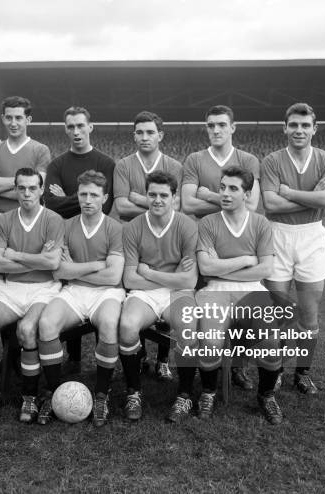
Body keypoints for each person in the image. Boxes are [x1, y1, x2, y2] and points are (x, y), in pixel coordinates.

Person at [182, 166, 284, 425]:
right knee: (210, 343)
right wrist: (245, 261)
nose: (225, 193)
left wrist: (224, 270)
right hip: (214, 291)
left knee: (271, 343)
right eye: (222, 187)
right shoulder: (207, 223)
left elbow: (265, 269)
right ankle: (208, 392)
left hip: (253, 291)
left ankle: (266, 395)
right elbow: (205, 268)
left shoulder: (260, 223)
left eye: (233, 189)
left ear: (247, 194)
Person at [260, 102, 325, 394]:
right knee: (278, 314)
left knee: (308, 315)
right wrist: (313, 197)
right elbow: (270, 204)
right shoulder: (271, 161)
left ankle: (302, 373)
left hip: (312, 238)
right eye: (293, 125)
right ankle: (277, 370)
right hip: (277, 236)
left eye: (305, 125)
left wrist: (290, 193)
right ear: (285, 128)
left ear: (314, 129)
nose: (299, 130)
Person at [0, 168, 64, 420]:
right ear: (15, 190)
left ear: (41, 190)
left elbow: (53, 263)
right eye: (21, 188)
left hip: (43, 289)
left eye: (32, 188)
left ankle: (30, 397)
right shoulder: (4, 221)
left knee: (26, 329)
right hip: (11, 289)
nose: (27, 193)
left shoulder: (53, 219)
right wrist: (37, 259)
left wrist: (16, 255)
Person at [181, 105, 261, 390]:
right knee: (204, 313)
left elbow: (252, 204)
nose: (216, 130)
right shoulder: (195, 159)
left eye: (221, 125)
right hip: (206, 239)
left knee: (248, 313)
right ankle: (187, 370)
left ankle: (237, 365)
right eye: (211, 125)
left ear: (233, 127)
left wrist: (209, 193)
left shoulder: (248, 159)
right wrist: (227, 199)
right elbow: (187, 204)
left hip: (240, 239)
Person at [37, 170, 125, 426]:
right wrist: (97, 265)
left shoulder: (115, 228)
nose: (87, 200)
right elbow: (59, 270)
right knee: (46, 324)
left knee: (109, 324)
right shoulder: (65, 225)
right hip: (74, 291)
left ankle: (101, 394)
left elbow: (113, 277)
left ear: (104, 197)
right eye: (83, 194)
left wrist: (77, 270)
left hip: (107, 293)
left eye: (94, 195)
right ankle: (53, 393)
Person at [119, 170, 198, 421]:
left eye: (164, 195)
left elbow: (190, 280)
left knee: (187, 325)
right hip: (144, 293)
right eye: (152, 194)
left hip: (177, 292)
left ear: (174, 198)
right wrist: (170, 275)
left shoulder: (186, 225)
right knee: (128, 325)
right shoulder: (133, 227)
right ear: (146, 195)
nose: (157, 200)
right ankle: (134, 391)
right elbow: (129, 279)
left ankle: (184, 395)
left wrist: (149, 271)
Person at [44, 106, 116, 372]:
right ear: (65, 129)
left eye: (80, 126)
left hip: (97, 236)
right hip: (68, 235)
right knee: (69, 290)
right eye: (70, 126)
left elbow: (105, 208)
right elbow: (50, 204)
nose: (75, 131)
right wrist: (83, 197)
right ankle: (73, 359)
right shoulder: (57, 164)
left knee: (102, 310)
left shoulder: (106, 163)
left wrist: (68, 196)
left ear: (90, 127)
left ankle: (100, 364)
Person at [113, 110, 183, 381]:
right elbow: (120, 206)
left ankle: (163, 359)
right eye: (140, 132)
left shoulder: (174, 165)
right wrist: (158, 203)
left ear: (160, 135)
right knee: (137, 292)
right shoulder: (123, 165)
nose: (145, 137)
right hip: (134, 236)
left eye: (150, 132)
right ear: (134, 135)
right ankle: (139, 353)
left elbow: (178, 206)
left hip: (167, 237)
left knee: (167, 292)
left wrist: (138, 197)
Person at [0, 96, 51, 214]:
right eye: (9, 118)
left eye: (18, 118)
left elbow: (35, 192)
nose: (13, 123)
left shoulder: (41, 150)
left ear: (28, 120)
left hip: (28, 219)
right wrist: (23, 183)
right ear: (3, 118)